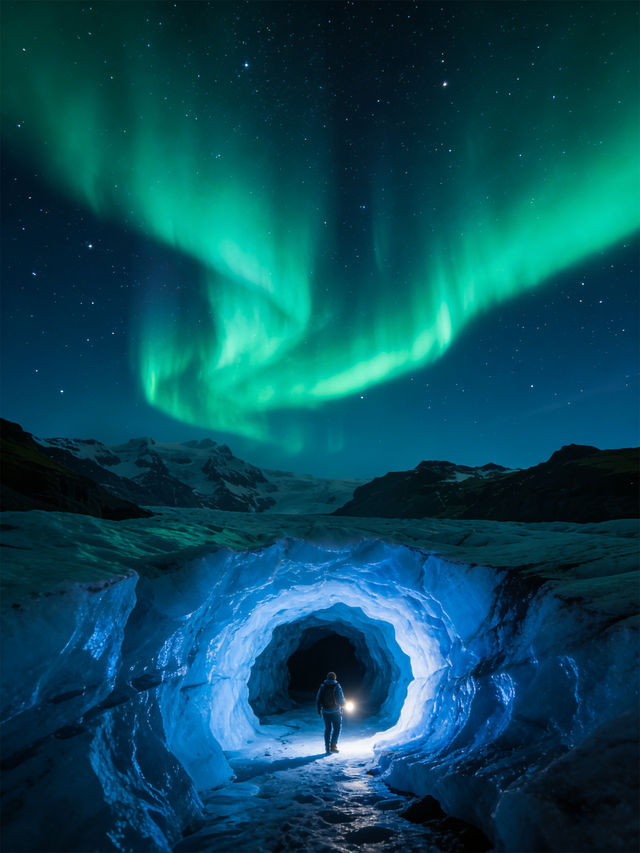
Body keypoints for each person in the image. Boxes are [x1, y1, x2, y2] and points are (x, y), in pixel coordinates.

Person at [316, 671, 345, 754]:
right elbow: (341, 698)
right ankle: (333, 746)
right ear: (335, 678)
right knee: (337, 728)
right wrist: (343, 705)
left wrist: (319, 709)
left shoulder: (323, 686)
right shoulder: (337, 686)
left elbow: (318, 698)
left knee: (328, 729)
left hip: (325, 711)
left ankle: (326, 747)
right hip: (336, 711)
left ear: (327, 678)